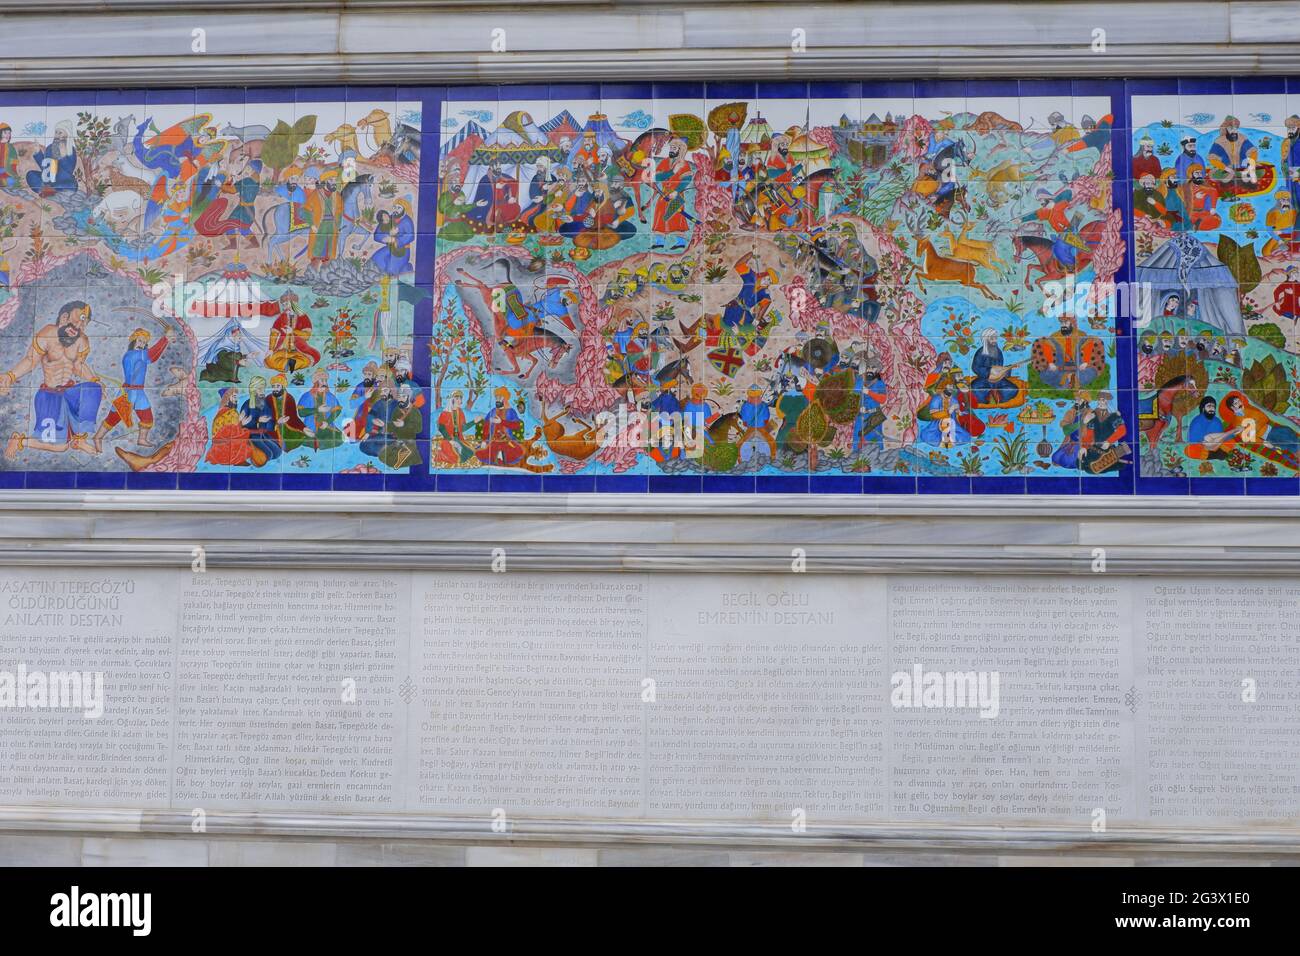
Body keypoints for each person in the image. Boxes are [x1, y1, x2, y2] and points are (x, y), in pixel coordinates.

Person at [0, 300, 102, 458]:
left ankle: (79, 439)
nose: (80, 326)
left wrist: (94, 379)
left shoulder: (82, 340)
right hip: (49, 395)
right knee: (60, 447)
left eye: (84, 323)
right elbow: (30, 360)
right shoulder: (47, 334)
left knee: (93, 388)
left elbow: (78, 365)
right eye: (78, 319)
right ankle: (20, 441)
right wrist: (10, 376)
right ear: (64, 317)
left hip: (69, 392)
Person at [91, 325, 170, 452]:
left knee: (147, 417)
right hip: (128, 392)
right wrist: (165, 339)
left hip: (139, 392)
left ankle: (142, 439)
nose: (142, 344)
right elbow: (152, 355)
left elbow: (152, 356)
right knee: (113, 417)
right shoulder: (132, 355)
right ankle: (98, 437)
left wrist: (165, 339)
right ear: (133, 340)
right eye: (140, 340)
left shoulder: (141, 354)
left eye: (144, 343)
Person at [652, 138, 693, 251]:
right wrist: (672, 172)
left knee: (676, 216)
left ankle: (680, 242)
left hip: (676, 195)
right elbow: (657, 177)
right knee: (660, 215)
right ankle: (659, 241)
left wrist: (676, 191)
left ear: (680, 150)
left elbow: (687, 179)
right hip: (664, 194)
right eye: (671, 147)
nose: (671, 150)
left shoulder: (684, 164)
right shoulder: (665, 162)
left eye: (674, 148)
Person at [206, 386, 262, 467]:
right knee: (249, 441)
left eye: (237, 397)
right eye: (234, 397)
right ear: (227, 398)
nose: (237, 399)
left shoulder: (221, 411)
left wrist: (241, 422)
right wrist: (243, 423)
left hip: (216, 448)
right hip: (226, 447)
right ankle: (238, 459)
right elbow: (234, 432)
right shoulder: (232, 412)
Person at [475, 386, 528, 466]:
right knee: (482, 453)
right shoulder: (493, 411)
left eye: (500, 397)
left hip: (507, 440)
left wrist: (501, 422)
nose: (497, 399)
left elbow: (516, 425)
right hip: (493, 440)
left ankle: (502, 457)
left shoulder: (511, 411)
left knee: (517, 452)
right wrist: (484, 440)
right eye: (496, 397)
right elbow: (486, 426)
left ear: (505, 399)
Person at [297, 369, 344, 451]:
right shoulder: (307, 396)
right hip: (311, 426)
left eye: (326, 380)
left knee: (340, 438)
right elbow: (301, 413)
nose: (325, 383)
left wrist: (327, 422)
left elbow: (337, 410)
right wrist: (317, 410)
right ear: (316, 382)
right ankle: (316, 442)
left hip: (327, 426)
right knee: (304, 439)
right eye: (322, 380)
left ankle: (317, 443)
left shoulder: (330, 396)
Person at [25, 126, 78, 197]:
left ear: (67, 135)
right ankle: (45, 190)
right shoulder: (50, 148)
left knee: (71, 186)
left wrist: (63, 156)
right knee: (31, 174)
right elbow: (45, 168)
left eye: (60, 133)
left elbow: (68, 170)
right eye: (56, 132)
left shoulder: (70, 150)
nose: (57, 135)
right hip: (49, 181)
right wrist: (38, 152)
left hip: (64, 181)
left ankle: (51, 191)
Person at [1207, 115, 1258, 186]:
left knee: (1259, 172)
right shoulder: (1219, 141)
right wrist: (1226, 168)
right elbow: (1212, 158)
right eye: (1231, 128)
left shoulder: (1242, 138)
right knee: (1218, 177)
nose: (1234, 131)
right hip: (1227, 167)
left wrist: (1251, 166)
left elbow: (1253, 152)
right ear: (1226, 129)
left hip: (1244, 166)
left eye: (1235, 128)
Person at [240, 376, 280, 465]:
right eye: (259, 389)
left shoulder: (264, 403)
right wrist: (258, 421)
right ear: (254, 390)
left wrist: (275, 423)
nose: (262, 391)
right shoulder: (247, 405)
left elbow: (269, 420)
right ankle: (251, 451)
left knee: (277, 453)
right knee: (268, 455)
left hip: (263, 434)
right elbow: (243, 424)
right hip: (251, 436)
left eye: (263, 388)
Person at [434, 389, 477, 465]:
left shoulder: (460, 412)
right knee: (455, 457)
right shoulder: (445, 413)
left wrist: (474, 422)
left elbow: (463, 428)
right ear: (452, 400)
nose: (459, 401)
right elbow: (441, 428)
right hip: (448, 440)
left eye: (460, 399)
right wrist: (450, 440)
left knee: (469, 452)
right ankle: (441, 454)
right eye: (457, 399)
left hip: (459, 439)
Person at [737, 384, 776, 462]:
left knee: (740, 444)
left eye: (757, 397)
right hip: (761, 429)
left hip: (750, 429)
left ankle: (740, 459)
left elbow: (744, 422)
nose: (757, 399)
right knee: (771, 442)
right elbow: (766, 419)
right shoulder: (764, 406)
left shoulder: (745, 406)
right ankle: (772, 458)